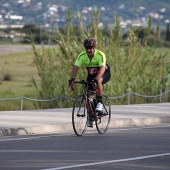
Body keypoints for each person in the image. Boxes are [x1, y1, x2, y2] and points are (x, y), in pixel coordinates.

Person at [69, 37, 111, 113]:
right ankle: (90, 116)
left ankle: (99, 102)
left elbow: (102, 69)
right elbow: (75, 67)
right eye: (87, 48)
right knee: (88, 97)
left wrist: (96, 80)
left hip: (104, 73)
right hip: (91, 74)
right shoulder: (82, 55)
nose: (89, 50)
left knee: (98, 81)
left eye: (91, 48)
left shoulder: (100, 55)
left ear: (95, 47)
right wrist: (72, 79)